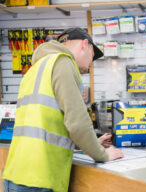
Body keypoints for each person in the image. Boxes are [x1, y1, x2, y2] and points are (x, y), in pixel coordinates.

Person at [3, 28, 124, 192]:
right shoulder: (63, 62)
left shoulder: (36, 68)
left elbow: (46, 128)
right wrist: (103, 154)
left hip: (16, 174)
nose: (91, 65)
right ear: (84, 44)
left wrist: (90, 144)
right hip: (41, 177)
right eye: (92, 56)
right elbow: (78, 123)